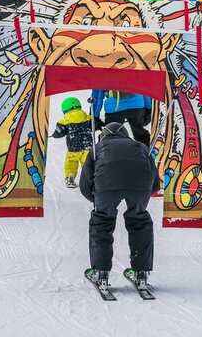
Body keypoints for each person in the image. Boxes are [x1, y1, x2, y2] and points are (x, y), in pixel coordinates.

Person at [80, 122, 160, 291]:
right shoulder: (141, 146)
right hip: (140, 186)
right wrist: (143, 196)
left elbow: (85, 184)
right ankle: (141, 274)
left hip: (106, 185)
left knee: (101, 222)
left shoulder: (97, 148)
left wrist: (97, 201)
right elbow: (155, 181)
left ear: (104, 135)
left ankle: (100, 274)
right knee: (140, 221)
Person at [51, 97, 99, 188]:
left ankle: (70, 176)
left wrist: (55, 134)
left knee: (71, 163)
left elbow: (59, 133)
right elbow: (94, 127)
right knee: (87, 164)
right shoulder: (88, 118)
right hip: (87, 147)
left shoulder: (64, 122)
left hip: (73, 148)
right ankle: (90, 179)